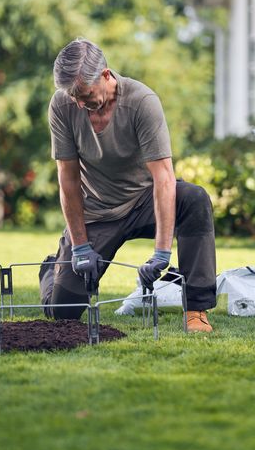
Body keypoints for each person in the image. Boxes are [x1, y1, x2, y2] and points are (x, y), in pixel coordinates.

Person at [39, 37, 218, 332]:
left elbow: (164, 178)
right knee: (62, 314)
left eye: (84, 94)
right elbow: (68, 179)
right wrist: (81, 247)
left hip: (144, 201)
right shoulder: (62, 105)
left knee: (195, 199)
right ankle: (53, 266)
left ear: (106, 75)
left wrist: (162, 254)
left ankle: (196, 310)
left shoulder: (141, 102)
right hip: (97, 212)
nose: (78, 103)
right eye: (73, 96)